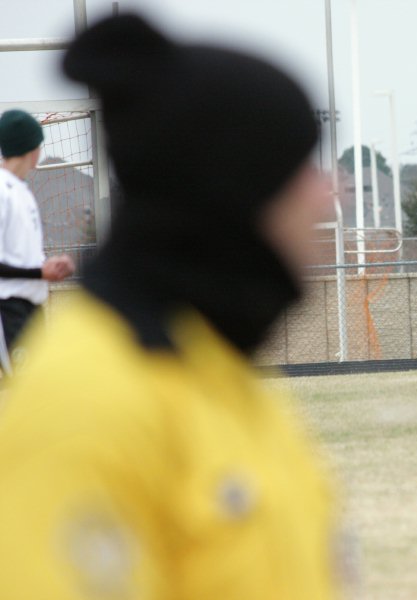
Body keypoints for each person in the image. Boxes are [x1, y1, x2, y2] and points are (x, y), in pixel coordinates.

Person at [0, 15, 339, 599]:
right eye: (298, 168)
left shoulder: (221, 373)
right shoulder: (84, 405)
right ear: (230, 189)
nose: (328, 192)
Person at [0, 109, 75, 374]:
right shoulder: (2, 191)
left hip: (31, 306)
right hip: (8, 308)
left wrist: (47, 265)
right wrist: (39, 272)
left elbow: (20, 253)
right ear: (31, 148)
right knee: (21, 390)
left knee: (39, 389)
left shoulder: (22, 191)